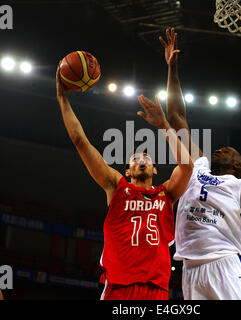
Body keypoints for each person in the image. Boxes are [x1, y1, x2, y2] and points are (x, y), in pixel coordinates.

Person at [159, 28, 241, 300]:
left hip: (223, 264)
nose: (221, 148)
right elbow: (176, 115)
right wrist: (172, 68)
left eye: (230, 151)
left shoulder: (239, 187)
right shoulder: (197, 166)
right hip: (189, 269)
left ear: (238, 165)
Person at [56, 65, 193, 300]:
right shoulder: (116, 186)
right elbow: (80, 140)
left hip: (156, 287)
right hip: (118, 285)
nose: (141, 161)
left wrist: (164, 127)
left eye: (146, 159)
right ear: (127, 171)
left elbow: (187, 166)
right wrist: (62, 98)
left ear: (155, 169)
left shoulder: (167, 193)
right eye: (135, 159)